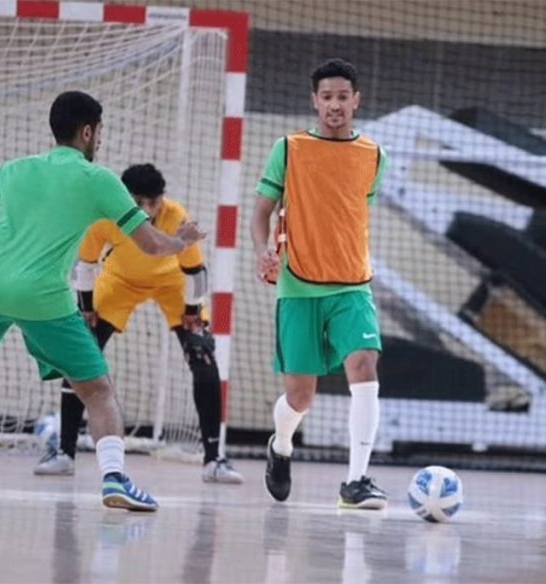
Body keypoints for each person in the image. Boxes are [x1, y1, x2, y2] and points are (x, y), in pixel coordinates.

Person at [0, 91, 205, 511]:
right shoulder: (99, 179)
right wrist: (182, 241)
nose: (100, 140)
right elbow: (151, 245)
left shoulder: (12, 169)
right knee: (98, 389)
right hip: (42, 297)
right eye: (99, 132)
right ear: (87, 132)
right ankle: (115, 479)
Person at [32, 163, 243, 485]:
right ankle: (64, 453)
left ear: (162, 199)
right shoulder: (105, 216)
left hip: (171, 283)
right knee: (78, 355)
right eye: (137, 202)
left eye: (153, 202)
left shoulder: (176, 217)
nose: (145, 210)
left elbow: (196, 272)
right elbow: (84, 265)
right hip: (120, 282)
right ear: (124, 197)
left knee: (202, 354)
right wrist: (86, 308)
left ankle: (214, 459)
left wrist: (192, 311)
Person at [251, 58, 389, 509]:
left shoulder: (374, 155)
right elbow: (261, 212)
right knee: (301, 396)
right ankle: (281, 445)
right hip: (298, 286)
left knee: (364, 365)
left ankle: (357, 481)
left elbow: (353, 211)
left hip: (352, 284)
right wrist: (262, 250)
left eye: (342, 97)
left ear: (356, 100)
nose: (335, 105)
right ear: (314, 101)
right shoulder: (289, 149)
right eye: (327, 97)